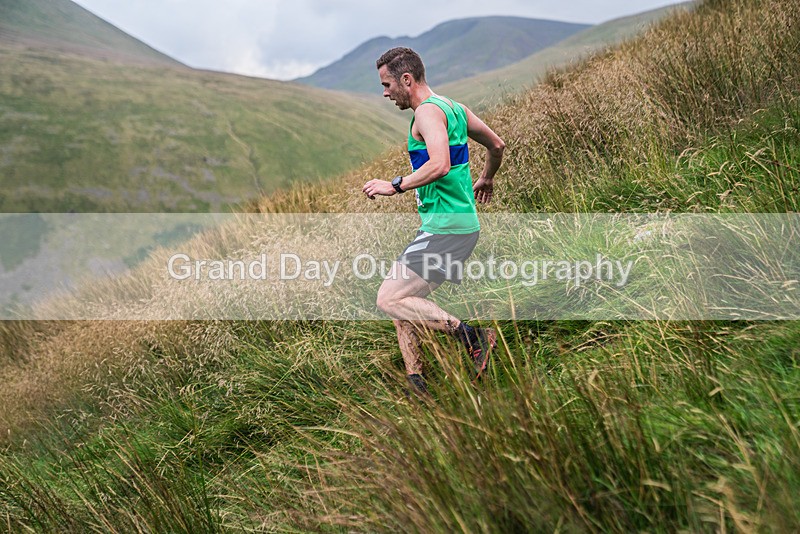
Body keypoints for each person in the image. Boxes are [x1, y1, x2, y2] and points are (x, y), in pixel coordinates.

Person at [362, 47, 505, 395]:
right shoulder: (454, 108)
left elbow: (440, 164)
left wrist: (394, 185)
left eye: (387, 84)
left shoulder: (426, 113)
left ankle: (473, 336)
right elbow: (497, 145)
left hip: (445, 228)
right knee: (404, 301)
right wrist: (486, 177)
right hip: (459, 227)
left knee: (388, 298)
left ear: (406, 80)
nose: (385, 93)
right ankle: (417, 383)